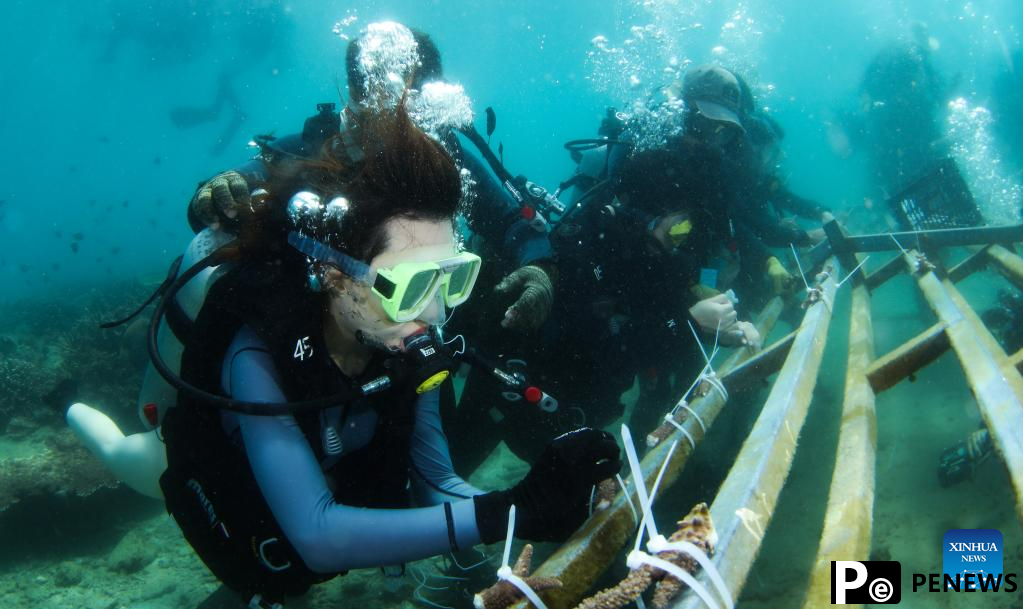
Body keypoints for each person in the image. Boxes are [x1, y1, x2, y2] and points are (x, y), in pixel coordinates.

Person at [160, 106, 619, 607]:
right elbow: (315, 535)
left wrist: (543, 498)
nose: (437, 311)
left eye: (453, 277)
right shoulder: (256, 351)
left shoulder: (404, 339)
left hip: (335, 480)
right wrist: (509, 511)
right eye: (415, 284)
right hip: (248, 511)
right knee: (151, 471)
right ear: (333, 273)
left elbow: (436, 482)